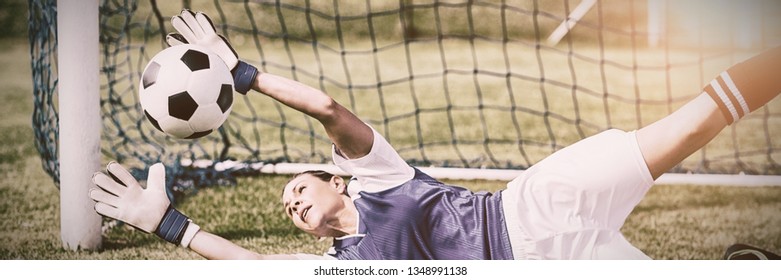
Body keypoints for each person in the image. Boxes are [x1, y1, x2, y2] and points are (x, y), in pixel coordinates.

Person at [89, 10, 781, 260]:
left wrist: (242, 72)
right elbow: (255, 268)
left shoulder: (378, 174)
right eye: (287, 209)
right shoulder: (345, 266)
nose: (288, 202)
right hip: (544, 269)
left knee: (695, 121)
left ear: (334, 177)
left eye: (296, 186)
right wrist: (170, 225)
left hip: (533, 205)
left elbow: (329, 109)